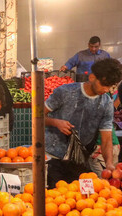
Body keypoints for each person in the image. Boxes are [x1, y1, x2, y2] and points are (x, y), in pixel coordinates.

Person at [45, 58, 122, 187]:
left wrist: (109, 163)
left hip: (79, 161)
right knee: (55, 199)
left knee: (79, 201)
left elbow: (107, 139)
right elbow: (37, 116)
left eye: (110, 86)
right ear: (92, 77)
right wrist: (56, 122)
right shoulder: (65, 92)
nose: (106, 89)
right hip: (53, 158)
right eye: (104, 84)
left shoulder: (106, 103)